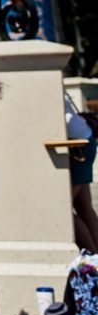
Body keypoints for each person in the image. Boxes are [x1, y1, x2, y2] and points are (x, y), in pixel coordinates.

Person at [64, 92, 98, 253]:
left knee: (63, 210)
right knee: (84, 206)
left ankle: (93, 262)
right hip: (84, 141)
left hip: (77, 147)